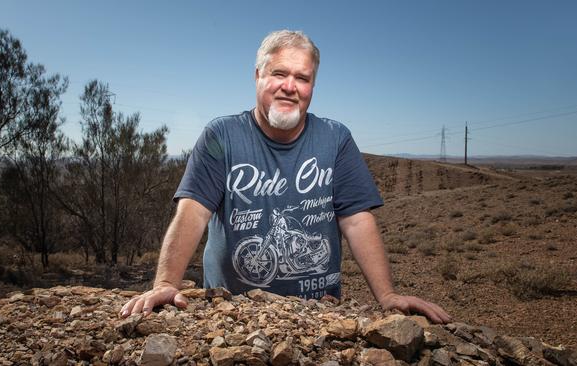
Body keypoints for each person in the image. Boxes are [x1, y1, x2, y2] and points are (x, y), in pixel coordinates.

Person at [120, 30, 451, 324]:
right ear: (258, 76)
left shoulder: (336, 138)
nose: (290, 87)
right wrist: (165, 284)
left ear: (312, 86)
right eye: (279, 73)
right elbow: (193, 211)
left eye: (302, 78)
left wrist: (387, 296)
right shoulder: (222, 135)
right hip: (233, 314)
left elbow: (357, 221)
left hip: (320, 312)